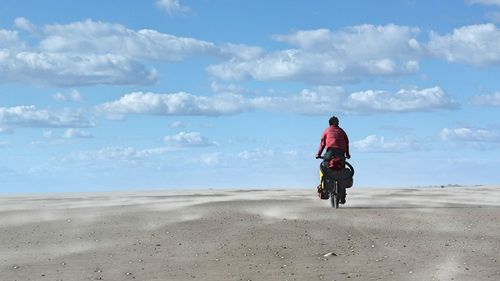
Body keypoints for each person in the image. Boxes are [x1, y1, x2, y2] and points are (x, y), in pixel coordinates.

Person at [315, 116, 350, 203]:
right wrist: (347, 154)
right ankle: (343, 195)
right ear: (338, 123)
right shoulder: (342, 131)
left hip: (330, 152)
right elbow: (347, 143)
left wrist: (318, 154)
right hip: (341, 154)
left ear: (329, 123)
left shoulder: (326, 131)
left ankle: (324, 189)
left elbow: (322, 144)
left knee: (324, 167)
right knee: (342, 171)